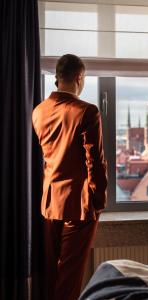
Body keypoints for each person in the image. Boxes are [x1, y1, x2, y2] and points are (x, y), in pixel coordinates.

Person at [32, 54, 107, 300]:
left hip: (49, 202)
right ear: (79, 77)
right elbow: (94, 161)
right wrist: (98, 201)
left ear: (57, 78)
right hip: (79, 204)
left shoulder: (39, 111)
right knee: (69, 278)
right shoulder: (86, 111)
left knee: (51, 275)